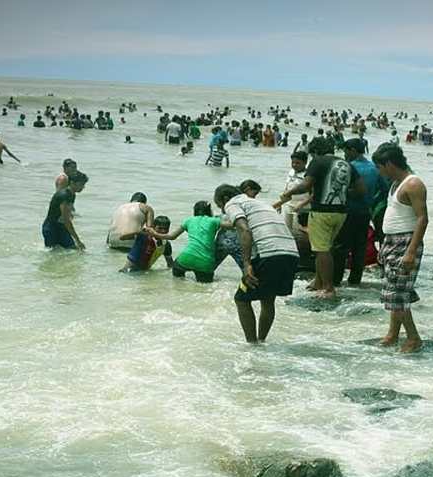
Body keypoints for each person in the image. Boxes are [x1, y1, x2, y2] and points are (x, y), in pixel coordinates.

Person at [273, 137, 359, 298]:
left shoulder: (318, 162)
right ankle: (318, 281)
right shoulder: (346, 164)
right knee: (325, 247)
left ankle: (327, 287)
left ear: (315, 152)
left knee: (321, 249)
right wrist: (340, 192)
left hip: (321, 211)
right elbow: (360, 189)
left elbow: (306, 185)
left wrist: (289, 193)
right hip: (341, 212)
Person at [217, 183, 300, 343]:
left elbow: (244, 229)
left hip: (268, 254)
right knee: (268, 299)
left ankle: (252, 345)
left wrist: (247, 263)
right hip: (290, 253)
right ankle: (261, 341)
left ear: (224, 199)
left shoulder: (233, 203)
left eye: (220, 205)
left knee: (241, 299)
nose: (222, 210)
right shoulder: (258, 203)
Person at [373, 144, 428, 353]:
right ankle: (393, 333)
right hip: (391, 241)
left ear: (388, 164)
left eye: (379, 167)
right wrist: (384, 246)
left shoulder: (412, 184)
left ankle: (413, 338)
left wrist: (411, 252)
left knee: (399, 293)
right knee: (393, 291)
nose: (379, 172)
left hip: (406, 241)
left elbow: (423, 219)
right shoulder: (395, 183)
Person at [335, 137, 382, 286]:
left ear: (353, 151)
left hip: (347, 212)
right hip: (365, 213)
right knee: (359, 248)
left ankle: (336, 280)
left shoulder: (347, 167)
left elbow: (339, 189)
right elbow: (384, 190)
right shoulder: (375, 169)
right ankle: (355, 281)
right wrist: (371, 202)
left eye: (346, 151)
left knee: (341, 247)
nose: (344, 155)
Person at [151, 200, 224, 282]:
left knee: (177, 273)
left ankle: (179, 290)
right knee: (205, 288)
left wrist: (154, 234)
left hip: (186, 258)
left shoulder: (188, 220)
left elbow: (171, 236)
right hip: (205, 262)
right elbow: (233, 224)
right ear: (209, 211)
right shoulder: (214, 221)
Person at [43, 171, 87, 249]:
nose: (83, 187)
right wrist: (78, 240)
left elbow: (66, 216)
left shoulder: (72, 194)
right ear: (72, 182)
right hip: (51, 228)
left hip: (61, 227)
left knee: (73, 251)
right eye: (81, 184)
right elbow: (66, 220)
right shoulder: (64, 195)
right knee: (54, 255)